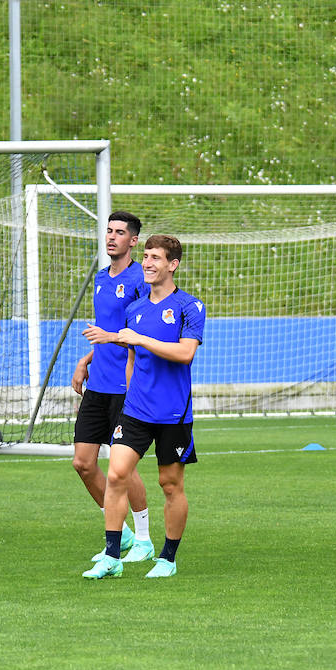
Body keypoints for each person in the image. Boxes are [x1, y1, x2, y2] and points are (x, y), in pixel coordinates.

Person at [82, 234, 204, 579]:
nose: (147, 263)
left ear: (173, 265)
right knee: (116, 474)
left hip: (173, 413)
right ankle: (112, 556)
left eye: (155, 258)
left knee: (170, 485)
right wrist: (130, 395)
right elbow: (132, 360)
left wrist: (139, 339)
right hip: (135, 410)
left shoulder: (190, 307)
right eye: (146, 256)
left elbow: (185, 353)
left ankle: (167, 558)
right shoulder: (134, 309)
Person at [72, 212, 155, 562]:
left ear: (133, 241)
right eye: (109, 231)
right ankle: (121, 534)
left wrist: (110, 338)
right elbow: (105, 329)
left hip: (126, 387)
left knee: (124, 468)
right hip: (99, 385)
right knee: (83, 463)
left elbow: (145, 334)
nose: (111, 237)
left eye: (119, 232)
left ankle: (145, 539)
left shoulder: (140, 280)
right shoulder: (101, 278)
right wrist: (86, 359)